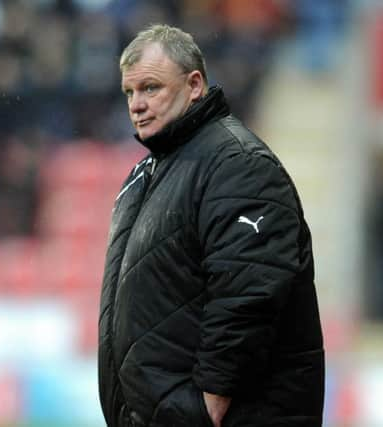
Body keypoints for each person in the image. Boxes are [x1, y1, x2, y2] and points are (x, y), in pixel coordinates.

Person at [99, 24, 325, 427]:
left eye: (151, 88)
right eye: (129, 93)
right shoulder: (147, 173)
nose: (136, 104)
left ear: (195, 84)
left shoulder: (237, 165)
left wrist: (208, 403)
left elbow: (250, 290)